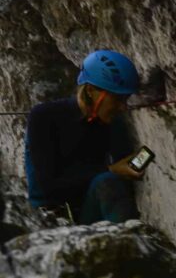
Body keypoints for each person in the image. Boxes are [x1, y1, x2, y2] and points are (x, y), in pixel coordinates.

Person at [25, 50, 144, 225]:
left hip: (88, 211)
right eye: (118, 99)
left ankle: (131, 241)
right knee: (107, 181)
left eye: (125, 100)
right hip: (53, 217)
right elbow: (48, 185)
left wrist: (127, 170)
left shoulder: (113, 123)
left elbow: (121, 183)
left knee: (109, 182)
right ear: (90, 91)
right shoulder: (44, 117)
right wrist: (111, 170)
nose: (123, 107)